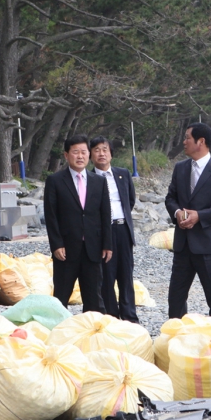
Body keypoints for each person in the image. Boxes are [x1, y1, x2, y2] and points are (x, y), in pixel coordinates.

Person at [164, 122, 211, 319]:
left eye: (187, 137)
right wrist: (178, 212)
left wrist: (200, 216)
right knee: (176, 297)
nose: (184, 141)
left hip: (208, 244)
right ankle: (176, 336)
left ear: (201, 141)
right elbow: (170, 198)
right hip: (183, 244)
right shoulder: (180, 168)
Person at [44, 135, 112, 312]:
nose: (80, 156)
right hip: (66, 249)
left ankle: (92, 333)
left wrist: (107, 244)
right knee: (61, 297)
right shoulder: (55, 181)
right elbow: (51, 216)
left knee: (94, 297)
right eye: (76, 152)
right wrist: (56, 244)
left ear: (89, 155)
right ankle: (57, 332)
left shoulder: (99, 181)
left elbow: (105, 215)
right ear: (66, 155)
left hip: (93, 248)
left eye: (84, 152)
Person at [90, 136, 138, 322]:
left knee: (126, 274)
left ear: (111, 153)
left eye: (105, 149)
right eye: (97, 150)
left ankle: (130, 317)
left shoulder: (123, 173)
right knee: (106, 275)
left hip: (123, 229)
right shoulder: (89, 178)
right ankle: (111, 317)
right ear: (91, 155)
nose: (101, 153)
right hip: (103, 232)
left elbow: (130, 200)